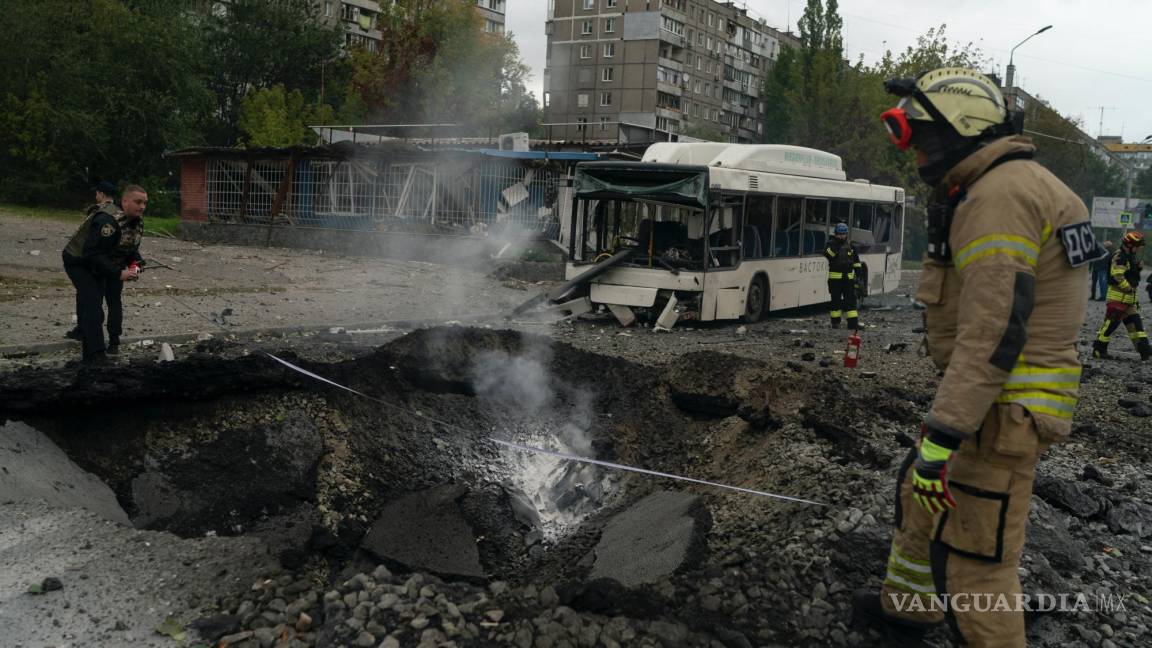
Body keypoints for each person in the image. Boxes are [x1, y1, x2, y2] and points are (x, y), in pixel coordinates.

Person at [855, 68, 1099, 647]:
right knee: (918, 496)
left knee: (975, 558)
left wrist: (943, 434)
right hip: (992, 403)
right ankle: (909, 607)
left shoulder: (1000, 197)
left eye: (916, 134)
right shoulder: (1016, 183)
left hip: (999, 411)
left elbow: (994, 332)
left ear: (959, 128)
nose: (912, 150)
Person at [61, 184, 147, 363]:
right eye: (138, 202)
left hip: (101, 263)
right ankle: (96, 355)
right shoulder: (107, 220)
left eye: (145, 203)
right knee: (93, 304)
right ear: (124, 201)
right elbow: (92, 254)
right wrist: (118, 273)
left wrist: (135, 268)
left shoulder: (137, 223)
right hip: (78, 262)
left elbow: (131, 252)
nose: (142, 207)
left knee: (97, 304)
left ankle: (91, 355)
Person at [65, 181, 120, 341]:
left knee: (91, 297)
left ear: (101, 194)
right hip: (115, 263)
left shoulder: (99, 212)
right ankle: (114, 341)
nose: (95, 196)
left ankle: (88, 332)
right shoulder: (119, 212)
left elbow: (90, 242)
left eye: (96, 193)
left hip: (98, 263)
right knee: (113, 300)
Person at [1092, 230, 1149, 360]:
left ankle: (1145, 351)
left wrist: (1138, 268)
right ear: (1129, 245)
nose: (1138, 249)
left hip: (1129, 301)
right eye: (1137, 246)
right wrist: (1128, 288)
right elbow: (1117, 275)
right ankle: (1098, 350)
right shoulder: (1120, 256)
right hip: (1117, 300)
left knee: (1137, 325)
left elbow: (1129, 274)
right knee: (1110, 326)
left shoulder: (1129, 256)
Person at [824, 221, 862, 330]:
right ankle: (835, 323)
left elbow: (856, 261)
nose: (841, 236)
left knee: (851, 301)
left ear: (846, 234)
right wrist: (836, 247)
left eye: (843, 234)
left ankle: (853, 324)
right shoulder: (830, 244)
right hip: (835, 279)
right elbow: (828, 254)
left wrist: (858, 272)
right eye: (839, 234)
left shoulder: (851, 246)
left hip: (848, 279)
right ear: (835, 234)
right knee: (835, 301)